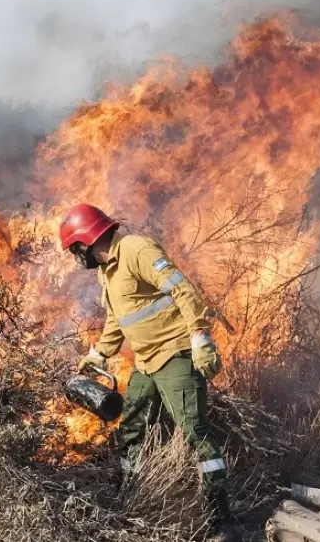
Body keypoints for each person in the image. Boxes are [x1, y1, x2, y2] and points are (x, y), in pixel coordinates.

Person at [60, 203, 242, 542]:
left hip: (175, 354)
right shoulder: (107, 272)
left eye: (75, 250)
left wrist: (201, 338)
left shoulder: (136, 249)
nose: (76, 257)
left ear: (86, 241)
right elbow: (118, 321)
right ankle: (131, 501)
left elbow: (183, 290)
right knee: (132, 430)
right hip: (146, 363)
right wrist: (98, 353)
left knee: (195, 431)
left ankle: (222, 523)